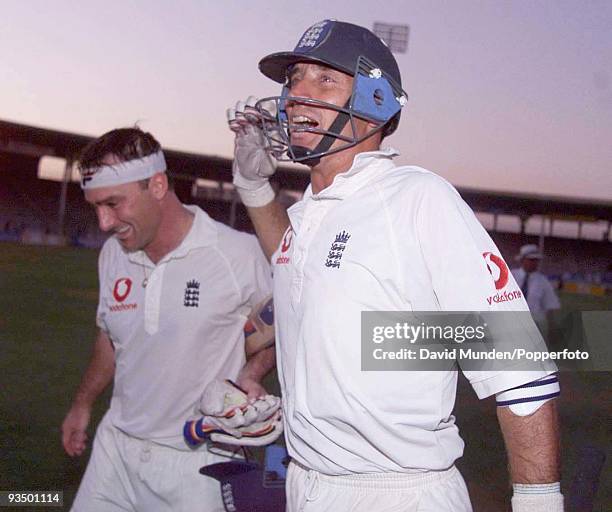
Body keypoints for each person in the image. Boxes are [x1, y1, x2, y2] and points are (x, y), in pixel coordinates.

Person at [228, 20, 563, 512]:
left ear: (375, 102)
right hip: (305, 484)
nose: (298, 93)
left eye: (324, 79)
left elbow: (519, 365)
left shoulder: (416, 199)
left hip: (396, 494)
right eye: (294, 77)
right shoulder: (307, 215)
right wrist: (253, 186)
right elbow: (295, 265)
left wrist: (540, 503)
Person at [61, 127, 276, 511]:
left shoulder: (236, 254)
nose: (104, 223)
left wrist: (252, 374)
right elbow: (110, 338)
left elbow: (278, 328)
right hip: (115, 450)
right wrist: (82, 403)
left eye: (113, 203)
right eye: (95, 206)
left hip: (198, 462)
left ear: (157, 185)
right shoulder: (113, 255)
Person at [511, 244, 561, 339]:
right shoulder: (511, 277)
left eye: (536, 260)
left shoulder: (543, 281)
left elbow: (549, 306)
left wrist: (552, 328)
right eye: (531, 260)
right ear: (522, 260)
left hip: (534, 325)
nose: (534, 263)